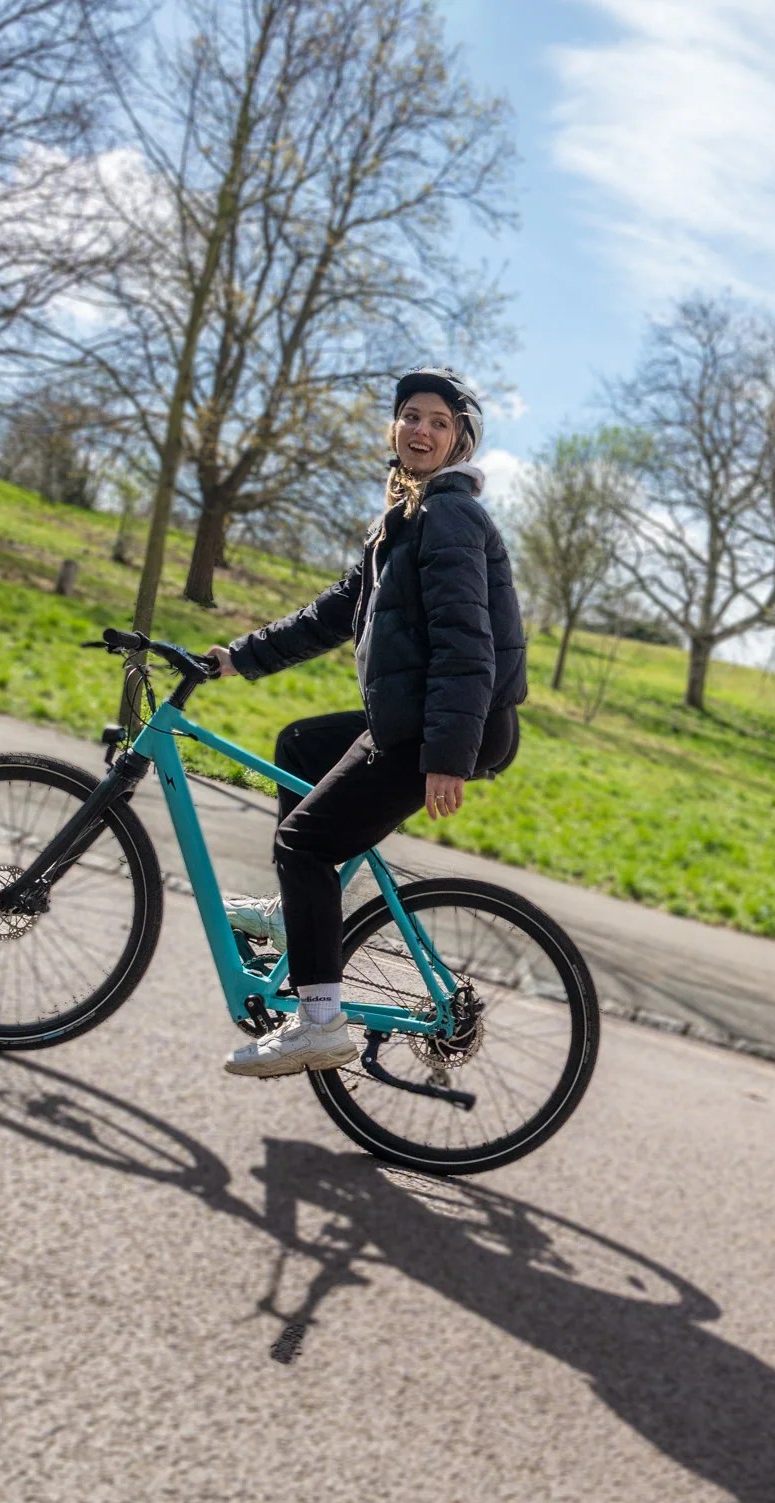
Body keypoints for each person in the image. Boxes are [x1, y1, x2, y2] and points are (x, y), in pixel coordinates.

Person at [207, 367, 527, 1078]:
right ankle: (298, 918)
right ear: (394, 428)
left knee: (304, 845)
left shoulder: (449, 517)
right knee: (299, 744)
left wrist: (449, 752)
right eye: (411, 416)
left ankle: (318, 1022)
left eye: (439, 422)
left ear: (459, 441)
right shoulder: (401, 523)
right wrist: (238, 659)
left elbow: (466, 644)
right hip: (416, 716)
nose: (421, 429)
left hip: (444, 727)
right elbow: (330, 614)